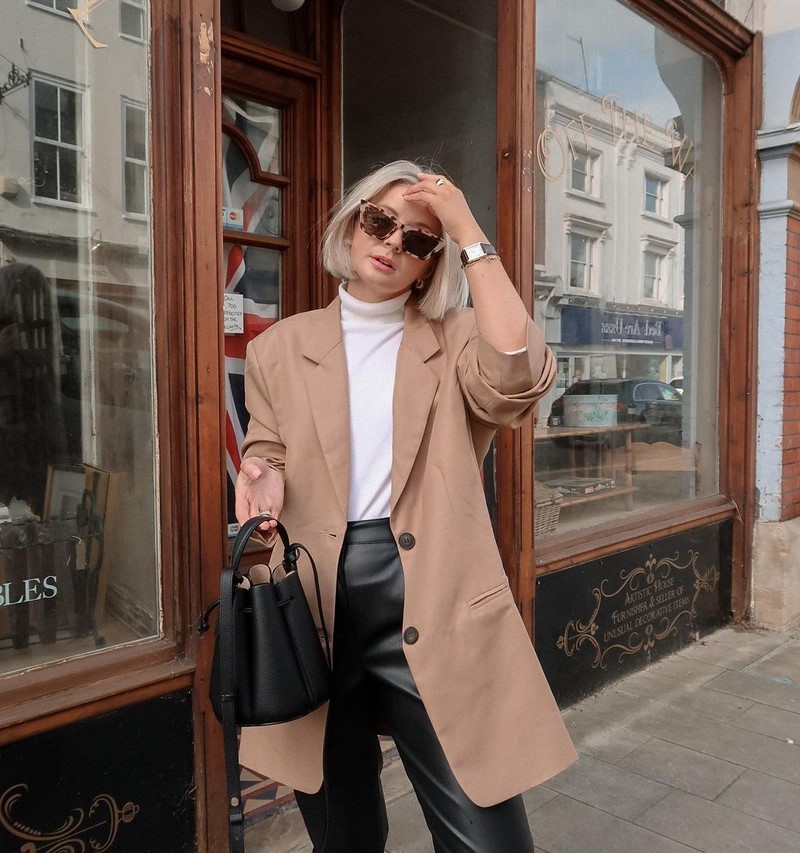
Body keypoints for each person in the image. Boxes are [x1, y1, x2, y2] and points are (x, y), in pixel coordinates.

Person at [235, 160, 577, 852]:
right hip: (314, 596)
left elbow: (518, 375)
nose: (393, 241)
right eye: (380, 220)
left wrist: (467, 229)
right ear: (352, 223)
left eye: (419, 240)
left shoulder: (456, 337)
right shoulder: (278, 347)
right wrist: (260, 471)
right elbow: (268, 446)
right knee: (343, 832)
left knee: (488, 835)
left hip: (430, 590)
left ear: (429, 267)